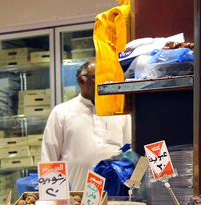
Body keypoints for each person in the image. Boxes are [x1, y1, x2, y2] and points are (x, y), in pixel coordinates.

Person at [40, 60, 132, 191]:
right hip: (75, 197)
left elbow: (129, 154)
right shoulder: (61, 112)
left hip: (115, 196)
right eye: (97, 77)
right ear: (81, 81)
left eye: (106, 78)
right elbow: (49, 159)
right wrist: (53, 199)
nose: (104, 82)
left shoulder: (119, 112)